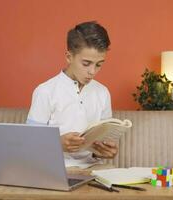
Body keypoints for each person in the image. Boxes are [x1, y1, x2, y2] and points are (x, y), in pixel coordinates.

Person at [26, 21, 117, 167]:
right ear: (69, 57)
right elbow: (29, 143)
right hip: (55, 169)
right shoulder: (45, 91)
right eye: (86, 64)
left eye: (99, 64)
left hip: (93, 170)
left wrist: (104, 151)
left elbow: (101, 141)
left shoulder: (103, 92)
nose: (92, 72)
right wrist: (57, 144)